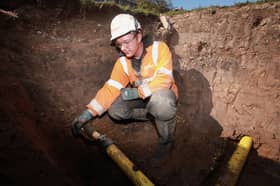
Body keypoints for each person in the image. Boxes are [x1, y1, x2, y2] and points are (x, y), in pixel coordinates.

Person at [72, 13, 178, 158]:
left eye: (126, 42)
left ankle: (166, 141)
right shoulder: (123, 63)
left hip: (163, 95)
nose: (123, 48)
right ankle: (153, 115)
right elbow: (111, 89)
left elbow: (164, 79)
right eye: (119, 44)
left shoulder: (159, 49)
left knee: (161, 103)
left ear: (139, 36)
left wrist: (137, 93)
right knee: (116, 110)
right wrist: (88, 113)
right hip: (144, 99)